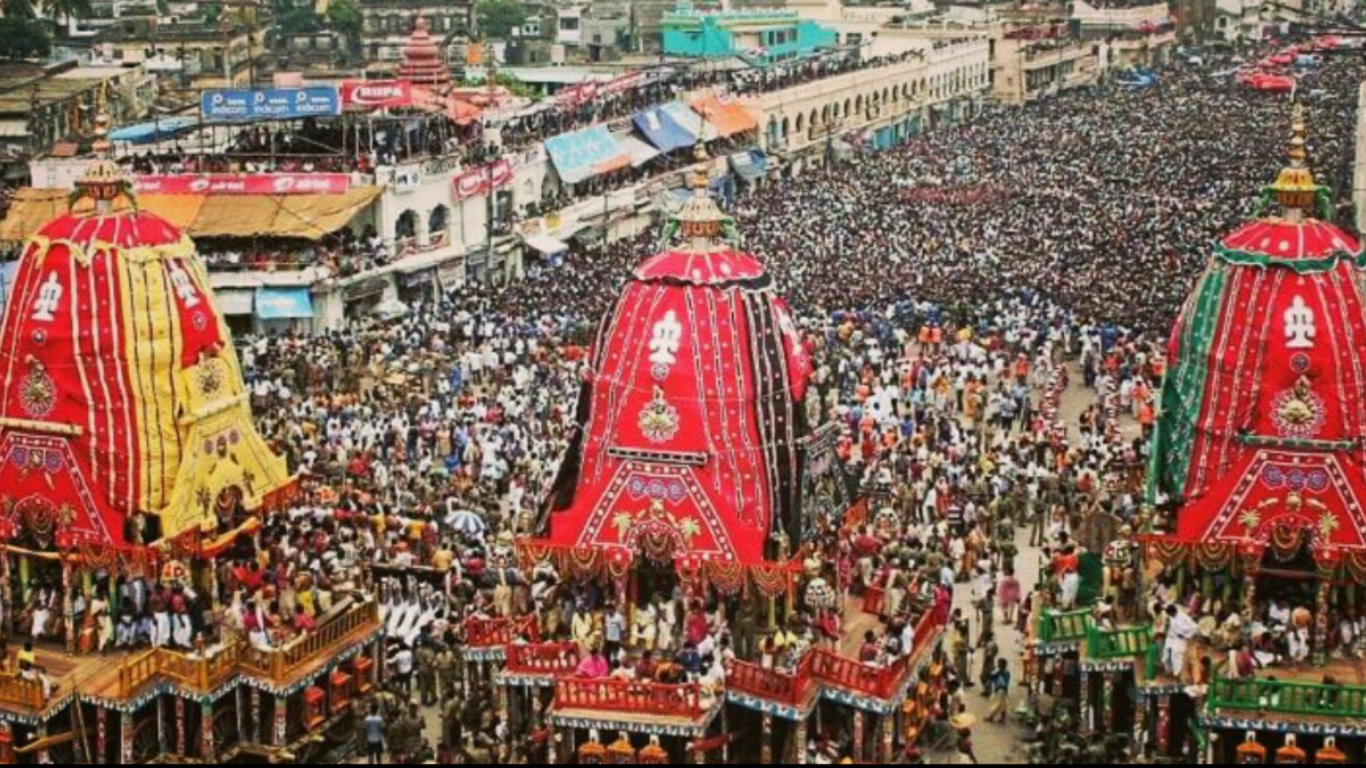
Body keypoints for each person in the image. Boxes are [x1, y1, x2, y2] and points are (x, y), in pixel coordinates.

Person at [986, 658, 1012, 724]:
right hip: (1004, 690)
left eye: (999, 663)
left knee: (997, 704)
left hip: (1000, 690)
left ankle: (991, 717)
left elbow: (991, 677)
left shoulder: (998, 672)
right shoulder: (1007, 672)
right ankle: (1002, 718)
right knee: (1003, 705)